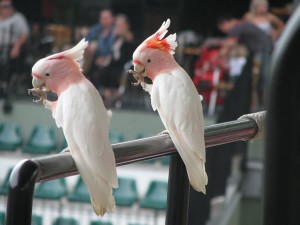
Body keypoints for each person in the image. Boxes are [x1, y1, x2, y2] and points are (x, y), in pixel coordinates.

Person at [217, 15, 273, 110]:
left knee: (260, 80)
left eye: (222, 29)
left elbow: (230, 43)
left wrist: (218, 56)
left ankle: (263, 107)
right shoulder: (243, 25)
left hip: (261, 52)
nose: (224, 31)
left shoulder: (237, 27)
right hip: (263, 51)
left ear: (224, 24)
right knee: (260, 82)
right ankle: (262, 107)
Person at [100, 14, 135, 108]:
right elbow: (113, 54)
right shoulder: (117, 39)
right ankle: (107, 97)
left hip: (125, 66)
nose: (117, 28)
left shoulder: (129, 38)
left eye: (119, 25)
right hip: (115, 65)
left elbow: (127, 56)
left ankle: (115, 97)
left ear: (126, 26)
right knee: (104, 70)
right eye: (116, 25)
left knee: (115, 73)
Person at [0, 0, 29, 92]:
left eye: (10, 6)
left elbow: (24, 35)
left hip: (11, 47)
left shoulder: (18, 18)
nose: (8, 8)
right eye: (4, 6)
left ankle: (5, 85)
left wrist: (16, 47)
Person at [85, 8, 115, 90]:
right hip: (95, 59)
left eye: (107, 18)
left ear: (112, 19)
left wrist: (105, 58)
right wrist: (89, 48)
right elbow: (85, 43)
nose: (104, 20)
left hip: (111, 60)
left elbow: (116, 49)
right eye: (102, 18)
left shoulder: (116, 30)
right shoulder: (95, 30)